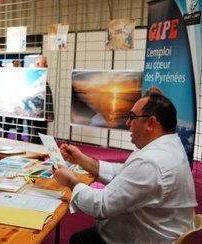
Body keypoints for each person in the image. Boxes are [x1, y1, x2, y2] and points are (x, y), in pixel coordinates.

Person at [53, 93, 197, 243]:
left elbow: (100, 206)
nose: (128, 123)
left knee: (79, 240)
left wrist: (70, 180)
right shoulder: (168, 147)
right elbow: (122, 174)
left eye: (132, 116)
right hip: (151, 232)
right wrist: (81, 159)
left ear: (151, 123)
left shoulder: (151, 162)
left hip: (143, 238)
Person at [30, 55, 54, 144]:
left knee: (41, 137)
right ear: (37, 64)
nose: (47, 66)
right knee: (36, 137)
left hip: (42, 115)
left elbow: (48, 97)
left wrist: (50, 113)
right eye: (44, 63)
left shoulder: (41, 79)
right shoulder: (34, 79)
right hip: (34, 114)